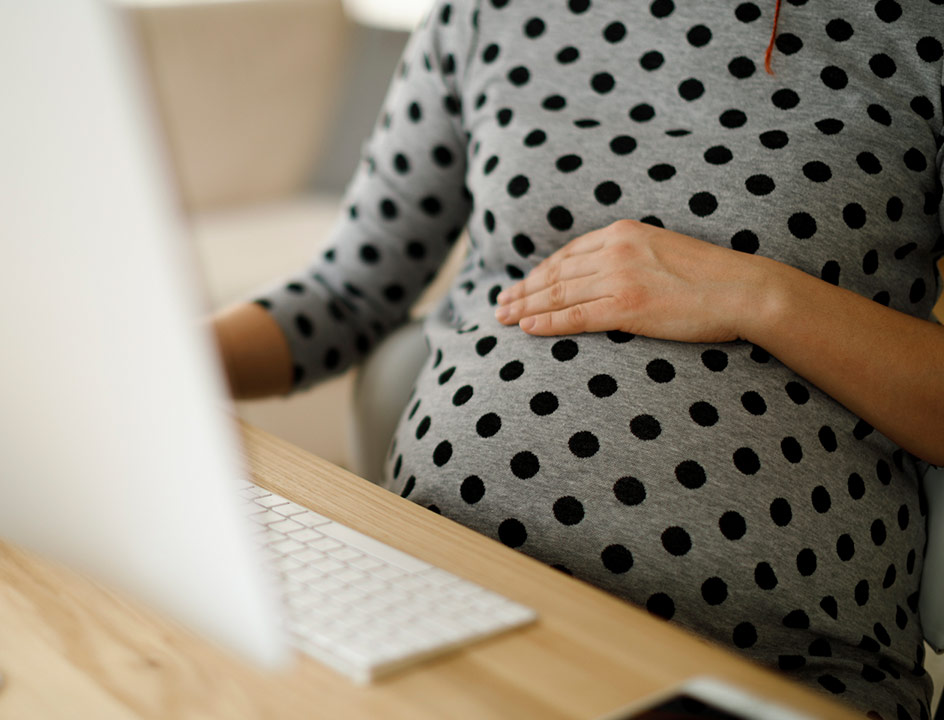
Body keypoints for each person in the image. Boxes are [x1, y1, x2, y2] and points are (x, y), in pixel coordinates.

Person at [213, 2, 944, 717]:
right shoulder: (485, 14)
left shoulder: (919, 30)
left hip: (758, 660)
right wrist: (143, 363)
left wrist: (756, 296)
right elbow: (346, 293)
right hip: (429, 597)